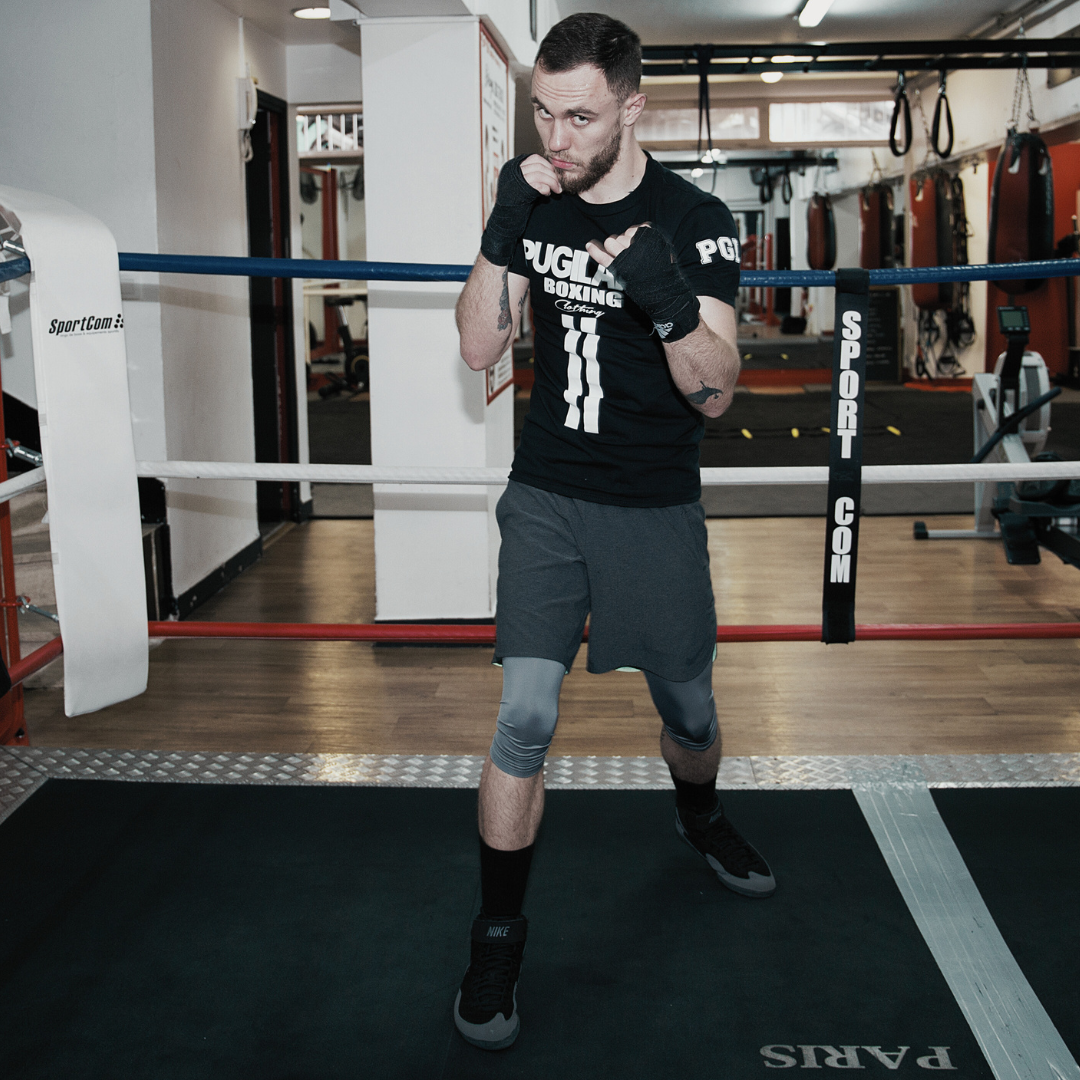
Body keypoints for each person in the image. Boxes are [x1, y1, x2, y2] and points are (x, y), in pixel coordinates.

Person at [453, 11, 775, 1051]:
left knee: (689, 709)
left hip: (652, 502)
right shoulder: (535, 199)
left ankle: (699, 813)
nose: (557, 138)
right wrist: (502, 229)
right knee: (525, 716)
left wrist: (668, 304)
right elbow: (478, 348)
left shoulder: (695, 218)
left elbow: (716, 393)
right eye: (543, 113)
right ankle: (497, 939)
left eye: (580, 117)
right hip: (548, 492)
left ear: (633, 108)